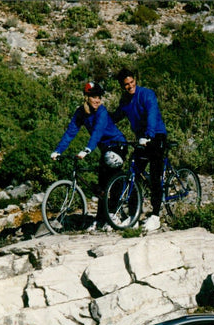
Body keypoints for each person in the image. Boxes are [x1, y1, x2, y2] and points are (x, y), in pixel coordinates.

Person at [51, 81, 127, 228]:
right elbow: (70, 132)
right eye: (94, 97)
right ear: (86, 97)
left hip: (118, 145)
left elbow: (98, 132)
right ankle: (100, 218)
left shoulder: (102, 111)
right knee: (102, 185)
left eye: (99, 97)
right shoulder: (81, 112)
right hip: (105, 149)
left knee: (113, 178)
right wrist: (58, 150)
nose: (97, 100)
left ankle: (114, 214)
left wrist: (88, 149)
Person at [111, 67, 168, 232]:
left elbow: (151, 114)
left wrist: (149, 135)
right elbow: (116, 116)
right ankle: (134, 216)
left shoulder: (147, 94)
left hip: (155, 135)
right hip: (142, 139)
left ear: (135, 80)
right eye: (126, 85)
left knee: (156, 176)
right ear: (122, 86)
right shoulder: (125, 101)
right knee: (133, 174)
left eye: (132, 82)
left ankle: (156, 216)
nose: (130, 86)